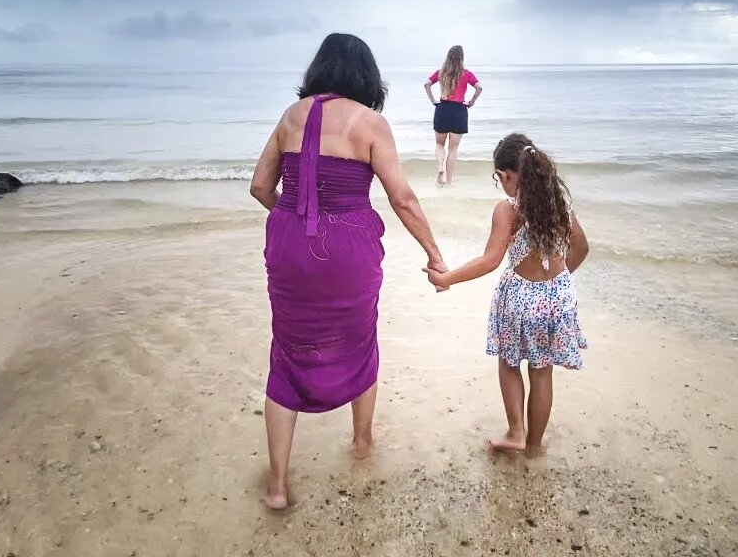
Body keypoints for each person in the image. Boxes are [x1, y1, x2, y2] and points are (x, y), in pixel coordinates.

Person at [250, 33, 446, 510]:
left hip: (290, 248)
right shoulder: (371, 123)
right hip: (349, 252)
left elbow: (259, 187)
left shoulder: (290, 117)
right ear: (366, 75)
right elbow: (402, 197)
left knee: (287, 353)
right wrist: (434, 253)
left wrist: (291, 219)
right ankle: (361, 444)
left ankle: (277, 487)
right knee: (360, 341)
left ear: (320, 69)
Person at [424, 133, 588, 456]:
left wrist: (447, 278)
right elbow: (582, 248)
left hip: (520, 300)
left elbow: (490, 260)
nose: (501, 185)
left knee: (509, 363)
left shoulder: (508, 210)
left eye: (499, 178)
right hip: (557, 299)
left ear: (508, 175)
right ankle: (535, 447)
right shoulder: (558, 205)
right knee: (542, 372)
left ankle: (516, 432)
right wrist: (559, 280)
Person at [424, 45, 483, 186]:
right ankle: (449, 182)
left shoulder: (441, 73)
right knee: (453, 149)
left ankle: (440, 168)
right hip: (459, 111)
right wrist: (472, 101)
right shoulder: (466, 74)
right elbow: (479, 87)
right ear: (461, 58)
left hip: (443, 109)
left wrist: (433, 101)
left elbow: (426, 84)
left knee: (439, 145)